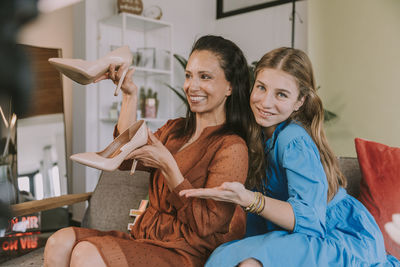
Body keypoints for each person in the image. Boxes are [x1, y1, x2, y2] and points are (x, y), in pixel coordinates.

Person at [43, 35, 262, 267]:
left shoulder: (232, 147)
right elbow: (126, 156)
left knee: (86, 253)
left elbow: (208, 224)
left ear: (230, 86)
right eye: (189, 76)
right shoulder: (175, 130)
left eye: (205, 77)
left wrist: (169, 166)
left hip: (188, 252)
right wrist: (129, 94)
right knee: (59, 241)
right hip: (148, 238)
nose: (192, 86)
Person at [180, 47, 400, 266]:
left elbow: (310, 221)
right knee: (225, 256)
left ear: (300, 101)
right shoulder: (257, 135)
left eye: (281, 94)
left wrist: (248, 199)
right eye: (261, 87)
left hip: (338, 236)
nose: (265, 102)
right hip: (301, 235)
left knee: (248, 262)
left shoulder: (292, 139)